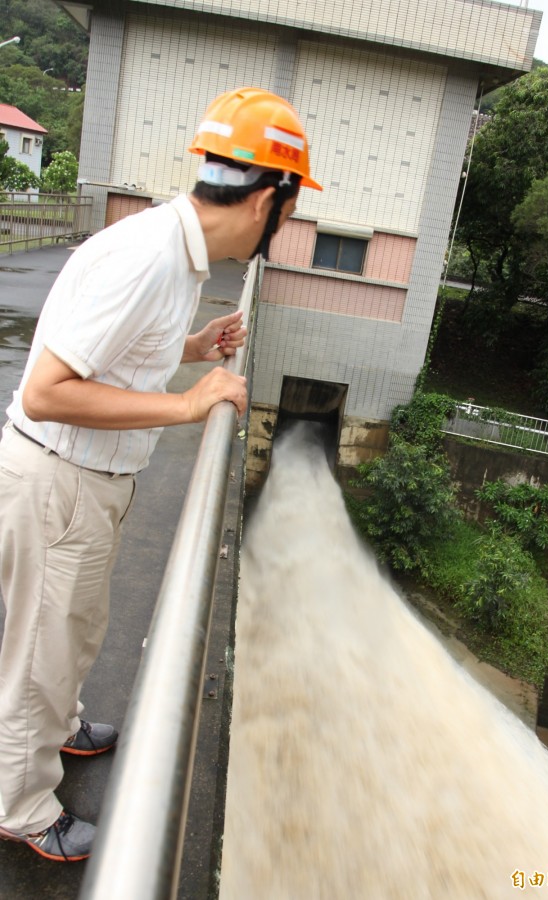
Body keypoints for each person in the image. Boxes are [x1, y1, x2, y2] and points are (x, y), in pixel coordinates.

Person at [0, 86, 322, 862]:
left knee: (70, 635)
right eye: (292, 206)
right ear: (267, 198)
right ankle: (21, 806)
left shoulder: (175, 251)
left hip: (82, 485)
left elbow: (114, 348)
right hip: (60, 482)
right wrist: (187, 408)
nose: (289, 223)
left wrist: (192, 347)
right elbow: (48, 390)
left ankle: (62, 729)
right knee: (38, 654)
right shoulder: (149, 257)